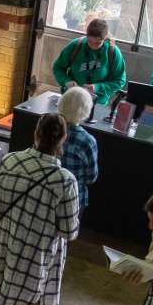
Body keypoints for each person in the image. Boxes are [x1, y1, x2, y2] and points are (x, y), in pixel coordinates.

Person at [0, 112, 82, 305]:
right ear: (64, 139)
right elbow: (69, 231)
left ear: (36, 133)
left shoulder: (9, 161)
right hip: (34, 254)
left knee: (8, 297)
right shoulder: (65, 180)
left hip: (4, 242)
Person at [50, 19, 126, 110]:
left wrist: (98, 87)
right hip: (72, 98)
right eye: (89, 41)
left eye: (98, 43)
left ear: (105, 38)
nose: (93, 46)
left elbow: (119, 81)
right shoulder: (75, 46)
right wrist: (66, 81)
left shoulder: (112, 52)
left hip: (97, 103)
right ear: (86, 36)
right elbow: (58, 67)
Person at [57, 85, 99, 214]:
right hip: (73, 197)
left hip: (47, 191)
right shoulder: (87, 141)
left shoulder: (50, 128)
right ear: (86, 110)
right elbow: (91, 177)